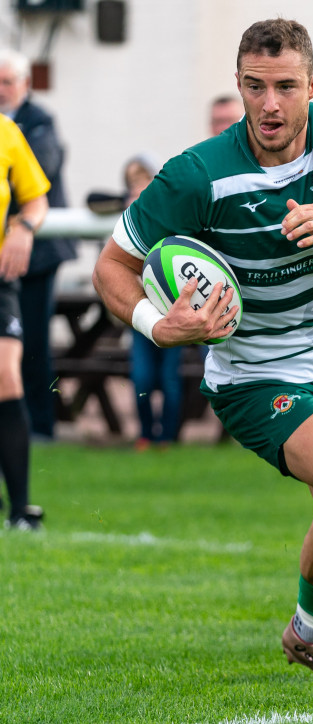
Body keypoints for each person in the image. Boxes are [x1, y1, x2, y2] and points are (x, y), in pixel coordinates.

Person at [92, 18, 313, 680]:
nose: (269, 104)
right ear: (238, 86)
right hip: (254, 378)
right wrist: (159, 327)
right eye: (253, 86)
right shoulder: (198, 175)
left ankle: (310, 632)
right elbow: (112, 266)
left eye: (284, 87)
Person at [0, 49, 76, 441]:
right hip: (8, 249)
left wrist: (20, 225)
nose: (1, 90)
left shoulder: (38, 121)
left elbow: (38, 172)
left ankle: (41, 427)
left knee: (31, 341)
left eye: (7, 82)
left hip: (36, 251)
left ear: (25, 85)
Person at [0, 112, 50, 529]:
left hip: (1, 279)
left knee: (7, 376)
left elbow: (36, 199)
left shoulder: (6, 131)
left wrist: (25, 228)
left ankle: (20, 510)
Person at [120, 153, 186, 450]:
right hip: (139, 312)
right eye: (132, 186)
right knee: (142, 378)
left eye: (143, 184)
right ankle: (146, 433)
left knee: (170, 378)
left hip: (173, 310)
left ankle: (167, 436)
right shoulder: (123, 226)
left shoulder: (169, 219)